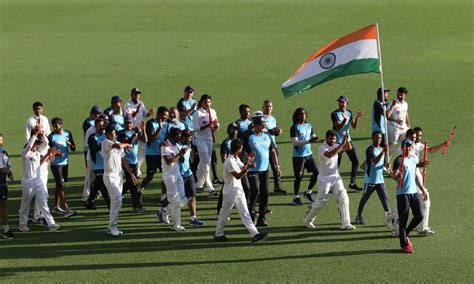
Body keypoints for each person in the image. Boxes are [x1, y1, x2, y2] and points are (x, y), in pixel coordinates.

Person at [214, 139, 268, 243]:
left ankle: (255, 234)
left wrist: (248, 161)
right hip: (230, 191)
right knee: (224, 213)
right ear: (239, 148)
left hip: (238, 190)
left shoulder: (235, 158)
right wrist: (248, 166)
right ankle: (218, 233)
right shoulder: (229, 161)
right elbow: (238, 175)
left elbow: (242, 168)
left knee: (245, 212)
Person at [303, 130, 355, 230]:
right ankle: (307, 220)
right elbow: (330, 154)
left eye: (334, 139)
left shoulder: (336, 145)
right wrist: (342, 144)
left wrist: (346, 138)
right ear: (326, 138)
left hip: (336, 177)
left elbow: (349, 147)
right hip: (324, 179)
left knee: (343, 197)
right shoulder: (322, 148)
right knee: (321, 202)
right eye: (331, 138)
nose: (332, 140)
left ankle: (346, 223)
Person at [19, 125, 62, 232]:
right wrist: (35, 134)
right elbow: (29, 146)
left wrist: (48, 155)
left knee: (43, 203)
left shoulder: (37, 153)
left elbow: (39, 163)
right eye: (36, 143)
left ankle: (51, 224)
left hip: (38, 182)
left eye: (38, 144)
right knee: (25, 205)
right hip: (28, 182)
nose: (37, 145)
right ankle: (22, 224)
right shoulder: (25, 153)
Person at [391, 139, 428, 253]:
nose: (407, 149)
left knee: (420, 215)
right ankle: (404, 245)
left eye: (409, 147)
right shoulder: (398, 160)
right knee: (403, 219)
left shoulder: (412, 159)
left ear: (412, 148)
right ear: (402, 148)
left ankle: (405, 233)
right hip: (403, 194)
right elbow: (394, 175)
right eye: (405, 147)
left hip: (414, 193)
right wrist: (397, 175)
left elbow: (416, 175)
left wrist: (423, 190)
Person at [244, 114, 282, 227]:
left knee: (265, 193)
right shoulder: (249, 137)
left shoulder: (267, 136)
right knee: (255, 191)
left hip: (265, 170)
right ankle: (251, 215)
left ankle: (261, 218)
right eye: (262, 124)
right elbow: (244, 152)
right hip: (253, 170)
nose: (264, 125)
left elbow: (272, 152)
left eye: (263, 124)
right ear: (256, 125)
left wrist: (277, 167)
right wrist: (248, 161)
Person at [102, 124, 137, 236]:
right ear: (107, 134)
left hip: (119, 176)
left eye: (115, 133)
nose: (114, 134)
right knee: (117, 199)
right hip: (109, 175)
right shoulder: (106, 143)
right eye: (112, 133)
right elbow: (117, 146)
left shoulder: (117, 143)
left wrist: (131, 174)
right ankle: (113, 226)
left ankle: (111, 226)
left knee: (115, 201)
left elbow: (124, 160)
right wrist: (127, 144)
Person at [412, 127, 447, 236]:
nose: (419, 138)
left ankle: (420, 226)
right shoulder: (407, 146)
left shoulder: (418, 145)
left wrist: (443, 144)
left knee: (414, 200)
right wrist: (418, 165)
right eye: (417, 135)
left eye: (420, 136)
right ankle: (422, 228)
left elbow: (430, 150)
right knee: (424, 198)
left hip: (417, 173)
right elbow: (404, 162)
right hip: (411, 175)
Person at [355, 131, 391, 225]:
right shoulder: (370, 150)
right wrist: (383, 152)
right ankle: (359, 215)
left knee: (385, 199)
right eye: (376, 138)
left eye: (380, 138)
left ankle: (389, 217)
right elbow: (374, 161)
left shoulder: (383, 149)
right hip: (370, 180)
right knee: (365, 198)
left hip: (380, 180)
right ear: (372, 138)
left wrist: (387, 165)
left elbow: (384, 165)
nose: (378, 139)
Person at [331, 95, 364, 191]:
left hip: (347, 141)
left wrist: (357, 117)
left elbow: (354, 126)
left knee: (356, 161)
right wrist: (345, 120)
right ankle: (332, 184)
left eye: (343, 102)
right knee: (336, 164)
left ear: (347, 103)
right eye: (339, 102)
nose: (341, 104)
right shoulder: (334, 114)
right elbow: (338, 128)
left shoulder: (349, 113)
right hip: (338, 143)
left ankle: (352, 183)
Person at [158, 128, 187, 231]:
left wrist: (182, 154)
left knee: (182, 199)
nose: (179, 140)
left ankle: (164, 211)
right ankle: (176, 225)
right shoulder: (164, 146)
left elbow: (181, 161)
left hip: (177, 173)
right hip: (169, 175)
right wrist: (179, 154)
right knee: (175, 201)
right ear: (172, 136)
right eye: (177, 137)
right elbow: (168, 161)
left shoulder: (177, 145)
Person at [117, 117, 148, 213]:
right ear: (124, 123)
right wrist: (136, 133)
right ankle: (136, 206)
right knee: (133, 183)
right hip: (125, 161)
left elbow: (145, 140)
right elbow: (128, 142)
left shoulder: (135, 132)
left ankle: (117, 196)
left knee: (130, 182)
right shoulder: (121, 133)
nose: (129, 125)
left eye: (130, 123)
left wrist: (142, 130)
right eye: (127, 123)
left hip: (134, 162)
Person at [290, 108, 319, 205]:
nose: (302, 116)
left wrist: (315, 138)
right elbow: (295, 143)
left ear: (306, 115)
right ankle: (295, 197)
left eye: (304, 114)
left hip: (308, 155)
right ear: (297, 116)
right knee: (298, 177)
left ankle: (308, 192)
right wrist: (309, 141)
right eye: (300, 114)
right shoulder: (294, 127)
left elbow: (312, 136)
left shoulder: (309, 126)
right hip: (298, 157)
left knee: (316, 173)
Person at [48, 118, 77, 217]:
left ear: (61, 125)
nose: (55, 128)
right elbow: (50, 151)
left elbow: (74, 148)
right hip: (55, 164)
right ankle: (66, 207)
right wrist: (56, 153)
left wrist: (70, 144)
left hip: (65, 163)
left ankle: (55, 207)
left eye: (57, 125)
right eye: (54, 126)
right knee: (61, 184)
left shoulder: (68, 133)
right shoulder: (51, 137)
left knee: (59, 185)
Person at [124, 87, 155, 177]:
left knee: (145, 148)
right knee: (132, 149)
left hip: (140, 129)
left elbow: (145, 115)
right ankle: (130, 167)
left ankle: (137, 166)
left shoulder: (141, 103)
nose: (137, 95)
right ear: (131, 94)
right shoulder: (128, 105)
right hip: (131, 129)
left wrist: (150, 112)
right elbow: (128, 117)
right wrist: (136, 110)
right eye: (135, 93)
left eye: (138, 94)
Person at [192, 94, 219, 196]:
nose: (207, 104)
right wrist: (207, 125)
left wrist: (216, 126)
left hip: (210, 139)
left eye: (208, 102)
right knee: (206, 164)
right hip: (200, 139)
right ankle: (210, 188)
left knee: (206, 162)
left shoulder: (213, 112)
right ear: (201, 103)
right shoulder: (197, 113)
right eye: (205, 102)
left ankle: (198, 185)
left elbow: (216, 124)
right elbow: (195, 128)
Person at [139, 106, 169, 196]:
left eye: (166, 116)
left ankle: (163, 195)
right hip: (151, 154)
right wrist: (159, 128)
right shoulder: (151, 123)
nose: (165, 117)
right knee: (150, 176)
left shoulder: (166, 124)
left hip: (162, 154)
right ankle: (140, 188)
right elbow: (150, 139)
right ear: (159, 114)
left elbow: (166, 137)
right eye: (164, 115)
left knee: (165, 174)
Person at [179, 130, 205, 226]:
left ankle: (193, 218)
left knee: (193, 195)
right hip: (179, 175)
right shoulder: (177, 146)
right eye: (189, 137)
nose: (190, 139)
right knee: (174, 197)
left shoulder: (188, 146)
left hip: (188, 173)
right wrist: (181, 154)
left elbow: (189, 158)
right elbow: (180, 160)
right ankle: (163, 210)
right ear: (183, 137)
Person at [84, 118, 111, 209]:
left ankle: (88, 202)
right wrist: (105, 143)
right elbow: (94, 149)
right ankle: (110, 206)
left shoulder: (105, 136)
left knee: (97, 185)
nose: (101, 128)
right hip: (97, 165)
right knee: (103, 186)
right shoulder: (92, 137)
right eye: (99, 127)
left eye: (102, 126)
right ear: (95, 126)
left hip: (105, 164)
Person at [262, 100, 286, 195]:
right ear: (263, 107)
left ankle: (277, 187)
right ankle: (263, 187)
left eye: (270, 106)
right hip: (264, 146)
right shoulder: (261, 119)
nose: (268, 108)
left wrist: (278, 132)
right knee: (265, 168)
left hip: (273, 145)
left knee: (276, 166)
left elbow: (273, 133)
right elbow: (265, 131)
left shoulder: (273, 119)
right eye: (267, 106)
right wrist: (273, 130)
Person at [217, 123, 240, 216]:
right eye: (232, 129)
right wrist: (231, 163)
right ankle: (219, 210)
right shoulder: (226, 142)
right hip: (230, 169)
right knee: (225, 188)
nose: (234, 131)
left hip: (239, 167)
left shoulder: (239, 140)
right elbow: (223, 158)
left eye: (236, 129)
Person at [82, 106, 102, 201]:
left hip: (99, 155)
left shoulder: (101, 128)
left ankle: (96, 192)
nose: (98, 116)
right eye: (97, 114)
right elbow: (88, 144)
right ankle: (86, 196)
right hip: (90, 153)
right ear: (92, 114)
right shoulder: (89, 126)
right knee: (89, 176)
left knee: (97, 175)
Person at [0, 134, 14, 239]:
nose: (0, 142)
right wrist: (7, 170)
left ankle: (6, 229)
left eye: (1, 140)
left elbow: (7, 165)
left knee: (4, 206)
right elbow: (2, 168)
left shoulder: (4, 152)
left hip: (2, 185)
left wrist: (10, 174)